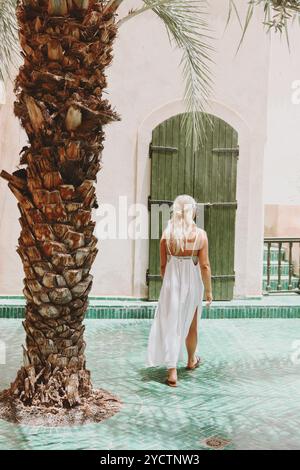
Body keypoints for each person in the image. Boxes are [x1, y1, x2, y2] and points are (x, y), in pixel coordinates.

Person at [147, 194, 213, 387]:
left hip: (171, 281)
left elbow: (162, 266)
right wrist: (208, 291)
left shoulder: (167, 234)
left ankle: (172, 372)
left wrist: (169, 282)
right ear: (192, 212)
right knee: (192, 325)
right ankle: (191, 360)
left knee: (171, 323)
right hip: (192, 282)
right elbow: (205, 266)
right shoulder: (200, 235)